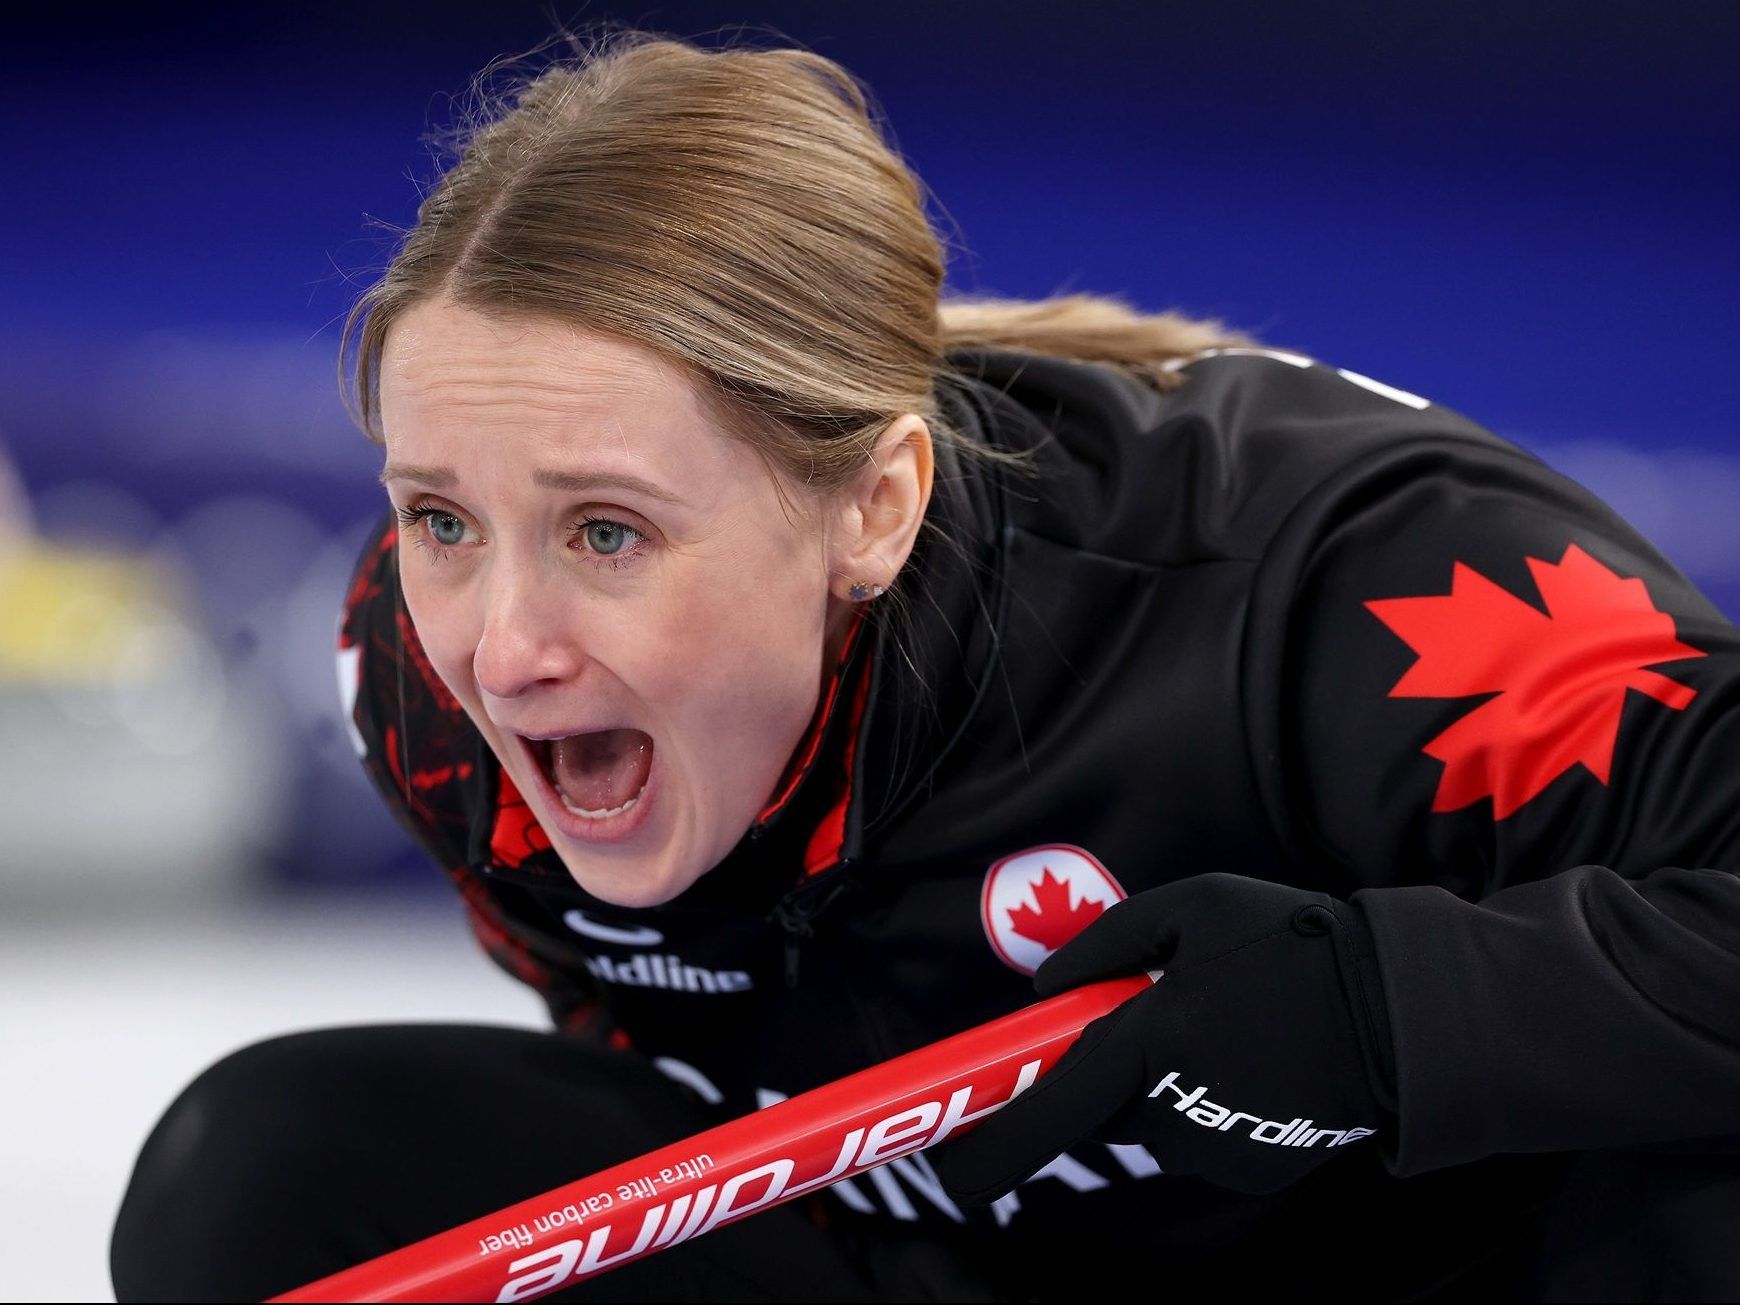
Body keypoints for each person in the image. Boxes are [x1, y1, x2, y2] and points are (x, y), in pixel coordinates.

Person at [111, 30, 1740, 1303]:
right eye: (443, 517)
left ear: (875, 505)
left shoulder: (1337, 582)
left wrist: (1381, 1013)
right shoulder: (423, 684)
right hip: (963, 1260)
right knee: (263, 1174)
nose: (505, 647)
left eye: (606, 530)